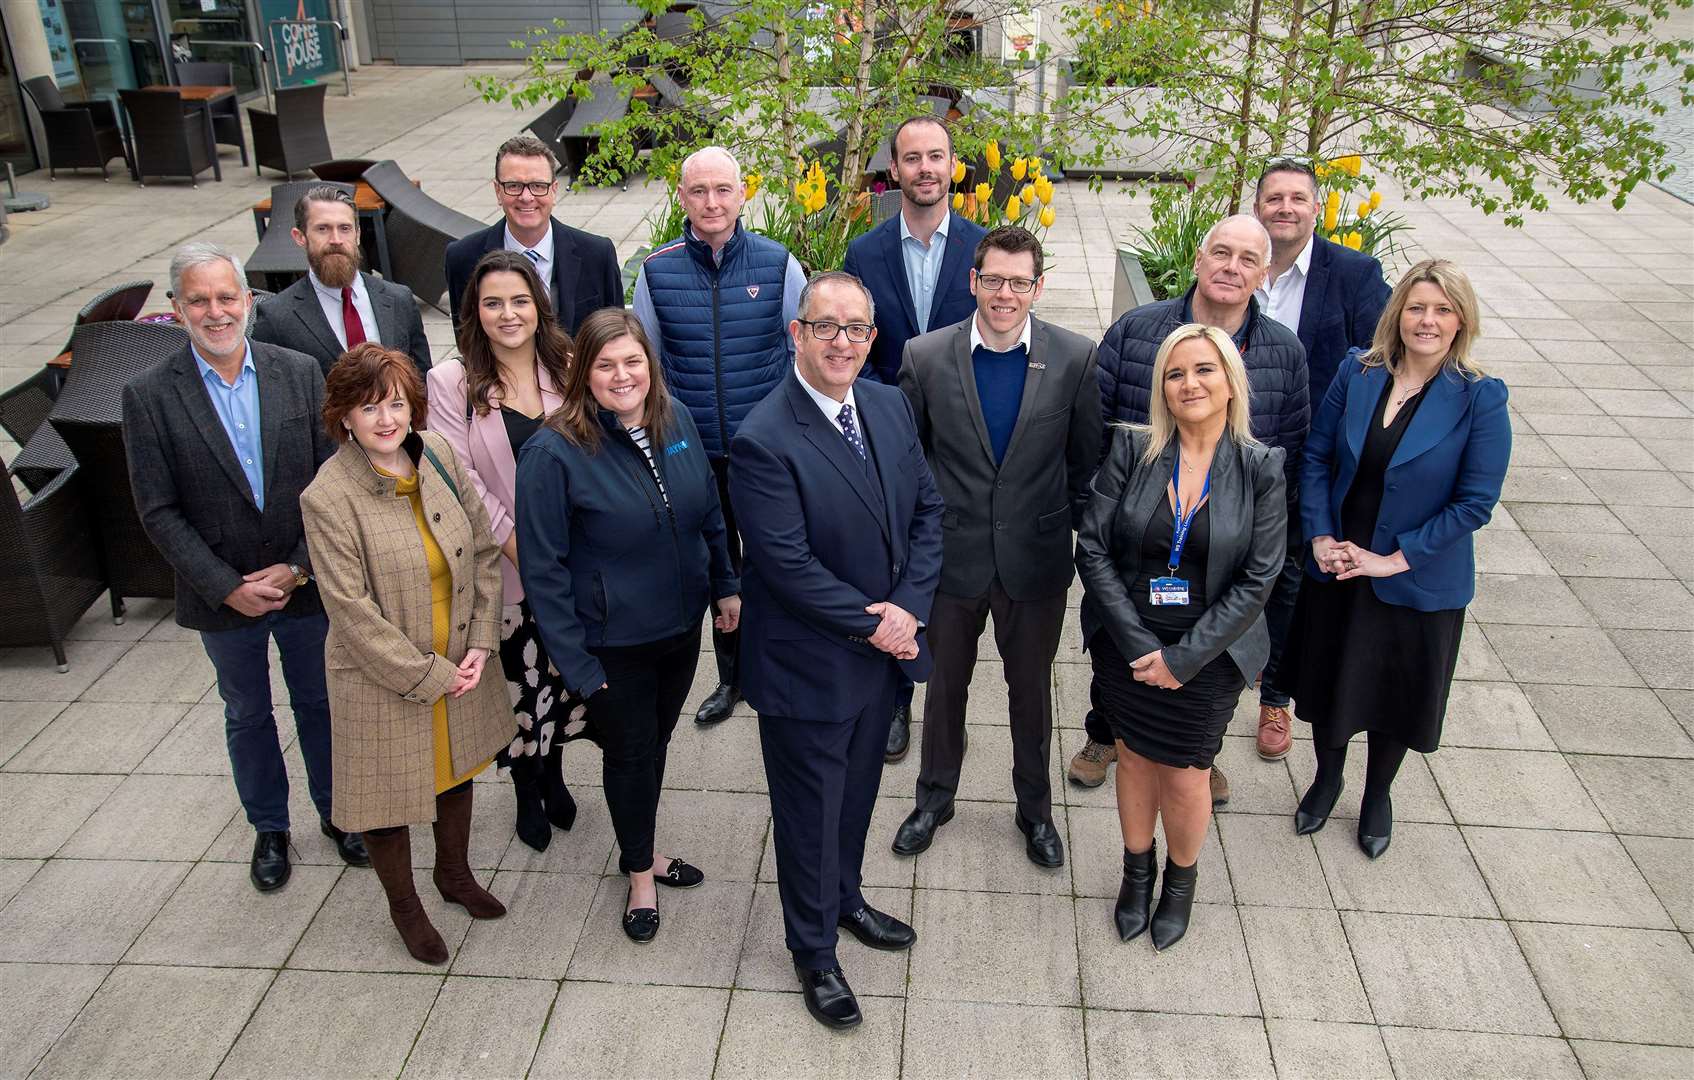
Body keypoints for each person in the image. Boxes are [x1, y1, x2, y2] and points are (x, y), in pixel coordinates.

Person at [730, 271, 943, 1029]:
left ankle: (845, 898)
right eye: (827, 327)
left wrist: (911, 608)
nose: (842, 342)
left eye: (857, 329)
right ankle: (813, 952)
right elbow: (785, 567)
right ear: (797, 333)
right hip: (809, 667)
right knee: (809, 814)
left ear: (873, 338)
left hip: (880, 659)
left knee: (854, 799)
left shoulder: (886, 404)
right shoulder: (763, 437)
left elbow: (926, 511)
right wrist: (881, 623)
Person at [122, 241, 362, 894]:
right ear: (176, 310)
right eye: (198, 300)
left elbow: (333, 480)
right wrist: (226, 587)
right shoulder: (148, 397)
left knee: (319, 702)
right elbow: (158, 510)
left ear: (248, 302)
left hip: (303, 587)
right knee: (247, 713)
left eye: (227, 296)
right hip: (221, 598)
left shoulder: (299, 371)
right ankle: (271, 829)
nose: (215, 311)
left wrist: (298, 568)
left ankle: (340, 814)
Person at [1069, 214, 1308, 810]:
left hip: (1222, 544)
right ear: (1198, 260)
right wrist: (1091, 509)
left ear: (1265, 273)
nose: (1231, 268)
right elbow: (1093, 427)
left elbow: (1296, 447)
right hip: (1136, 533)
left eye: (1248, 259)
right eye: (1220, 253)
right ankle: (1110, 735)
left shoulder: (1283, 350)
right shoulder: (1137, 331)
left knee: (1204, 659)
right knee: (1125, 648)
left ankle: (1200, 752)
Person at [516, 308, 740, 942]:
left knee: (655, 746)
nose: (622, 376)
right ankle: (640, 871)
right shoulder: (552, 452)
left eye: (632, 361)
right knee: (632, 752)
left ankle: (639, 842)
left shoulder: (677, 419)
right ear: (582, 373)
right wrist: (577, 666)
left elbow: (707, 512)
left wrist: (725, 585)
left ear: (651, 364)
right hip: (613, 644)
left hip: (679, 628)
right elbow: (544, 572)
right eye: (605, 365)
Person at [890, 226, 1101, 867]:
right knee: (944, 686)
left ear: (1038, 287)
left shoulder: (1074, 358)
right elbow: (909, 464)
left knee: (1031, 693)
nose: (1004, 294)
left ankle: (1035, 812)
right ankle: (934, 798)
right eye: (993, 280)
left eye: (1018, 282)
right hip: (952, 562)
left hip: (1034, 565)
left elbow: (1084, 461)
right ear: (972, 281)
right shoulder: (924, 357)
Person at [1285, 259, 1509, 859]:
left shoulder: (1479, 398)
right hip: (1338, 561)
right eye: (1417, 307)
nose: (1427, 321)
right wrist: (1320, 537)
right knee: (1330, 679)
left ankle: (1377, 792)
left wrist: (1393, 560)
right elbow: (1316, 458)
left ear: (1461, 320)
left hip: (1415, 576)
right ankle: (1327, 779)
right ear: (1398, 313)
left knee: (1394, 692)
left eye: (1441, 310)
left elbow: (1474, 504)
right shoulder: (1357, 372)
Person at [1075, 324, 1286, 950]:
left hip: (1210, 651)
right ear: (1161, 387)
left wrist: (1184, 659)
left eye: (1204, 371)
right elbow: (1092, 545)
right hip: (1129, 638)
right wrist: (1140, 643)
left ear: (1230, 383)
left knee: (1188, 771)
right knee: (1134, 756)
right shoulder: (1132, 450)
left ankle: (1179, 884)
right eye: (1175, 373)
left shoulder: (1260, 467)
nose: (1189, 384)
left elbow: (1261, 575)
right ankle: (1135, 875)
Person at [301, 343, 513, 965]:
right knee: (386, 797)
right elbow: (351, 612)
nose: (387, 419)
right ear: (344, 416)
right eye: (370, 408)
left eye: (396, 403)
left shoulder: (439, 455)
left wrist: (479, 643)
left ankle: (454, 874)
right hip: (381, 674)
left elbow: (481, 550)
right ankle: (405, 907)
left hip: (459, 651)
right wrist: (429, 675)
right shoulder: (328, 496)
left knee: (457, 770)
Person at [632, 145, 809, 727]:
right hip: (692, 456)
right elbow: (646, 368)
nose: (712, 202)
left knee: (777, 562)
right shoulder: (657, 272)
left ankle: (781, 667)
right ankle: (730, 677)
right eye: (699, 191)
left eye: (723, 190)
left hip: (764, 456)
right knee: (720, 570)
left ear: (743, 194)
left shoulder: (778, 264)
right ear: (682, 197)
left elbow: (799, 357)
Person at [426, 250, 584, 853]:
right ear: (475, 312)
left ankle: (558, 773)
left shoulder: (568, 366)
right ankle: (527, 786)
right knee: (520, 684)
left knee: (563, 677)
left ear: (538, 306)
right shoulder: (451, 383)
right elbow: (458, 479)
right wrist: (524, 554)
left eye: (519, 300)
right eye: (493, 303)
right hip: (508, 571)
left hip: (573, 560)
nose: (508, 313)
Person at [843, 114, 988, 761]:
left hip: (966, 441)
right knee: (892, 566)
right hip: (889, 440)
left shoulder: (984, 252)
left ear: (952, 166)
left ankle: (947, 695)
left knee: (951, 572)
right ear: (894, 170)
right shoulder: (865, 253)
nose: (925, 168)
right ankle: (897, 695)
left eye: (937, 156)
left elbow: (999, 339)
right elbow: (858, 350)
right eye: (912, 158)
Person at [1250, 158, 1391, 757]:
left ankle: (1275, 699)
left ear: (1316, 207)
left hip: (1305, 457)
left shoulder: (1355, 275)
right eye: (1274, 197)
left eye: (1297, 198)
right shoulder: (1238, 264)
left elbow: (1381, 360)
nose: (1285, 207)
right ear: (1258, 207)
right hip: (1227, 448)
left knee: (1287, 583)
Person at [444, 135, 622, 334]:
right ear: (497, 191)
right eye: (514, 186)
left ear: (554, 190)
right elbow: (466, 339)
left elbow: (613, 338)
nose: (526, 197)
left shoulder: (597, 255)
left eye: (538, 186)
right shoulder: (462, 258)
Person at [251, 184, 432, 379]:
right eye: (323, 229)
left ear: (358, 234)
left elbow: (422, 381)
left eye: (345, 228)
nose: (336, 239)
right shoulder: (276, 318)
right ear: (300, 237)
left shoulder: (399, 299)